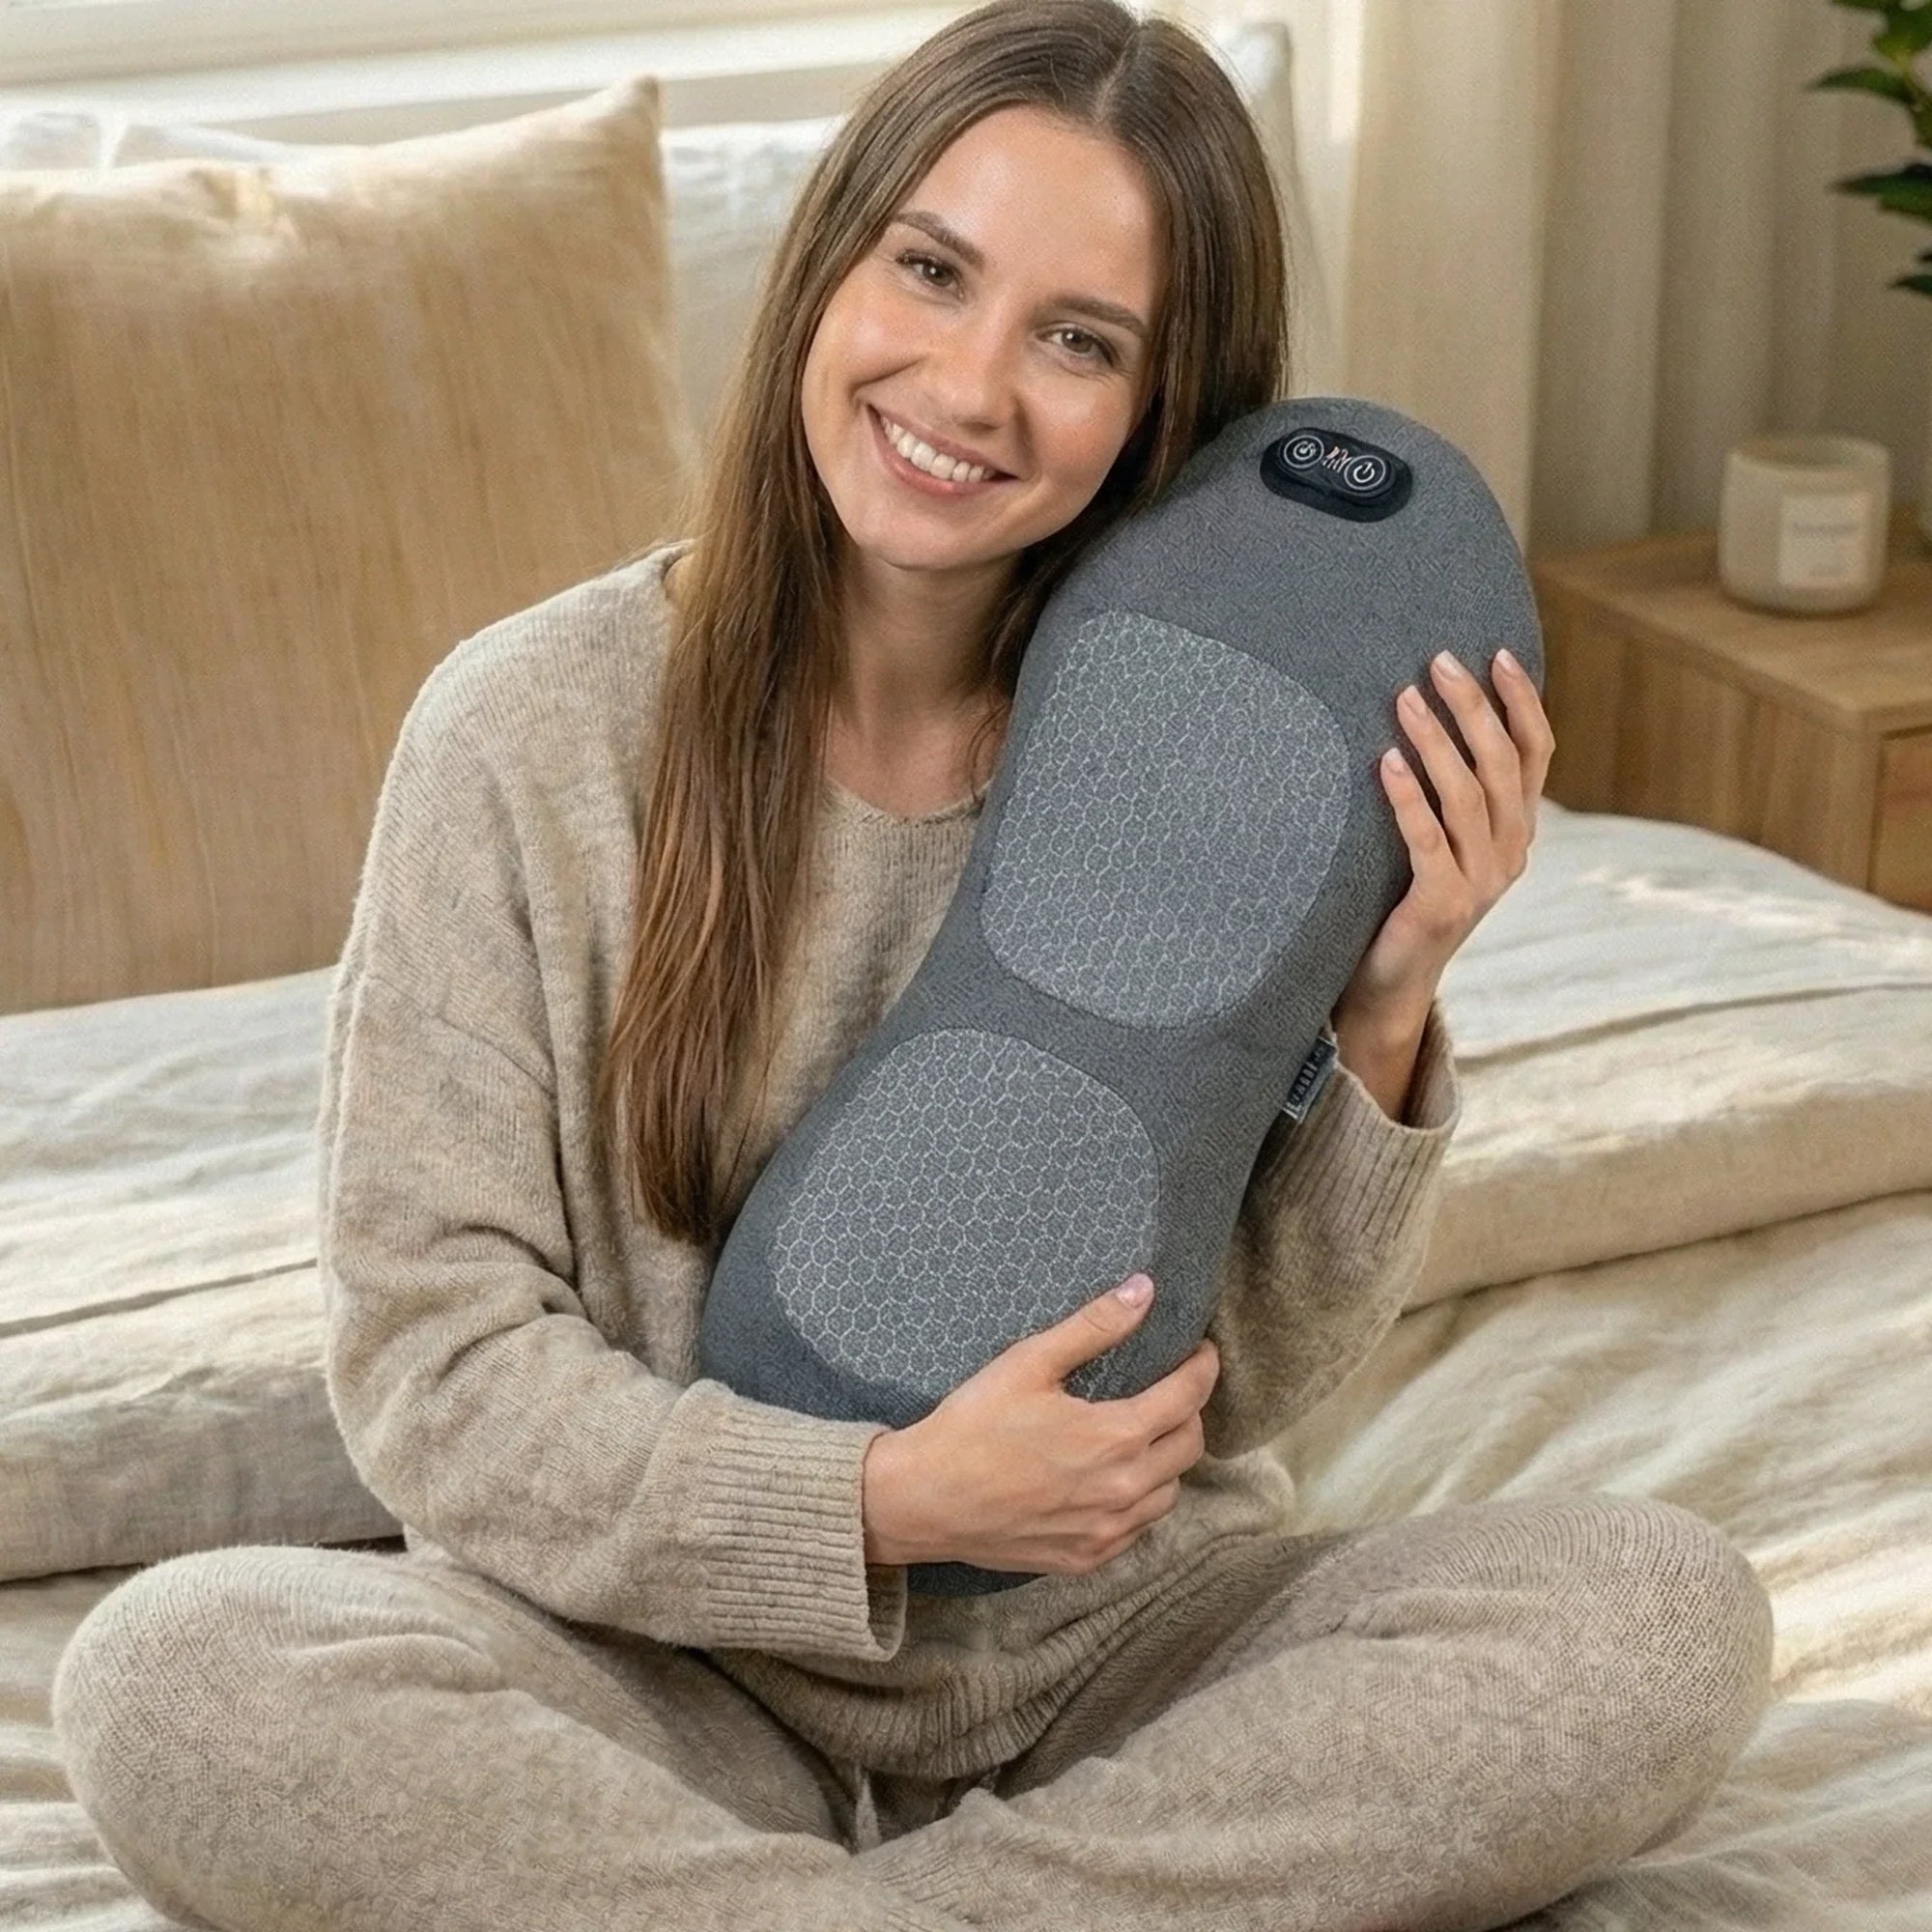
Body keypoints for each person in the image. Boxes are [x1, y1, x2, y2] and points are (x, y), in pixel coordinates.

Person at [50, 1, 1773, 1927]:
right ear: (829, 262)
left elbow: (1240, 1389)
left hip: (1115, 1653)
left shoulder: (1216, 749)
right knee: (179, 1678)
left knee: (1656, 1615)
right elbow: (434, 1370)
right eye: (933, 272)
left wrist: (1379, 1009)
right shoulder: (529, 735)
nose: (968, 386)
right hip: (658, 1664)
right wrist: (872, 1508)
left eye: (1077, 340)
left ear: (1167, 407)